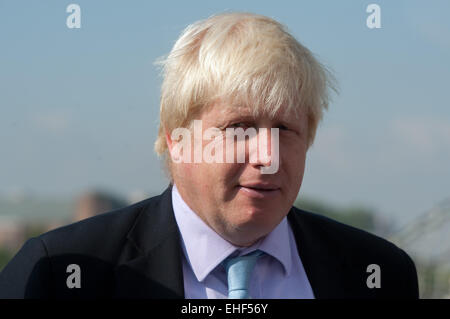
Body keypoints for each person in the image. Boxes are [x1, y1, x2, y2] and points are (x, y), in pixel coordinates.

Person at [0, 12, 418, 299]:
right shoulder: (61, 276)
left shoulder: (379, 274)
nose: (267, 156)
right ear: (176, 139)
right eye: (240, 129)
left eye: (285, 129)